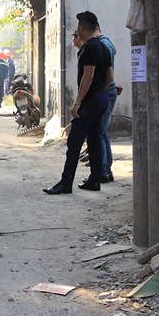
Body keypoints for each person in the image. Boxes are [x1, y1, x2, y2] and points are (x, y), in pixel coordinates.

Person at [44, 11, 113, 195]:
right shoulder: (104, 47)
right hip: (101, 98)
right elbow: (110, 77)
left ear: (81, 29)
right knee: (95, 139)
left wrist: (78, 103)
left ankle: (66, 183)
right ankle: (94, 180)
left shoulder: (90, 47)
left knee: (74, 142)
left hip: (90, 101)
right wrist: (100, 92)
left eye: (77, 29)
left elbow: (88, 76)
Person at [95, 24, 122, 183]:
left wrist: (102, 91)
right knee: (102, 132)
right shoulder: (107, 43)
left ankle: (104, 171)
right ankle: (106, 169)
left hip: (105, 92)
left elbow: (108, 75)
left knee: (99, 132)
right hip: (108, 91)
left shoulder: (102, 45)